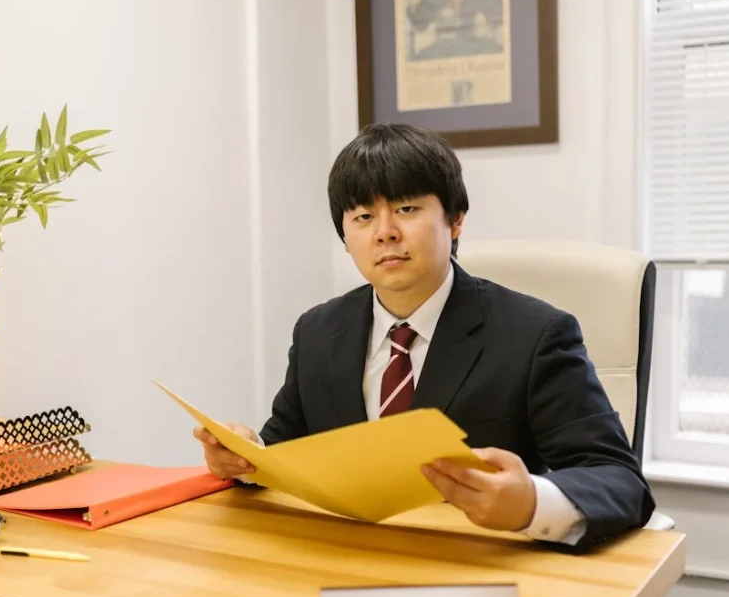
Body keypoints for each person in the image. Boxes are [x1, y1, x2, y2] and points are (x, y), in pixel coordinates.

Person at [193, 122, 655, 553]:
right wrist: (245, 459)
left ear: (455, 220)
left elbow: (619, 480)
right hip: (343, 559)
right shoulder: (318, 331)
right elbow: (285, 452)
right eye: (363, 216)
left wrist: (532, 502)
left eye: (407, 209)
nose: (385, 233)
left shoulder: (535, 335)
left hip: (472, 566)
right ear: (344, 236)